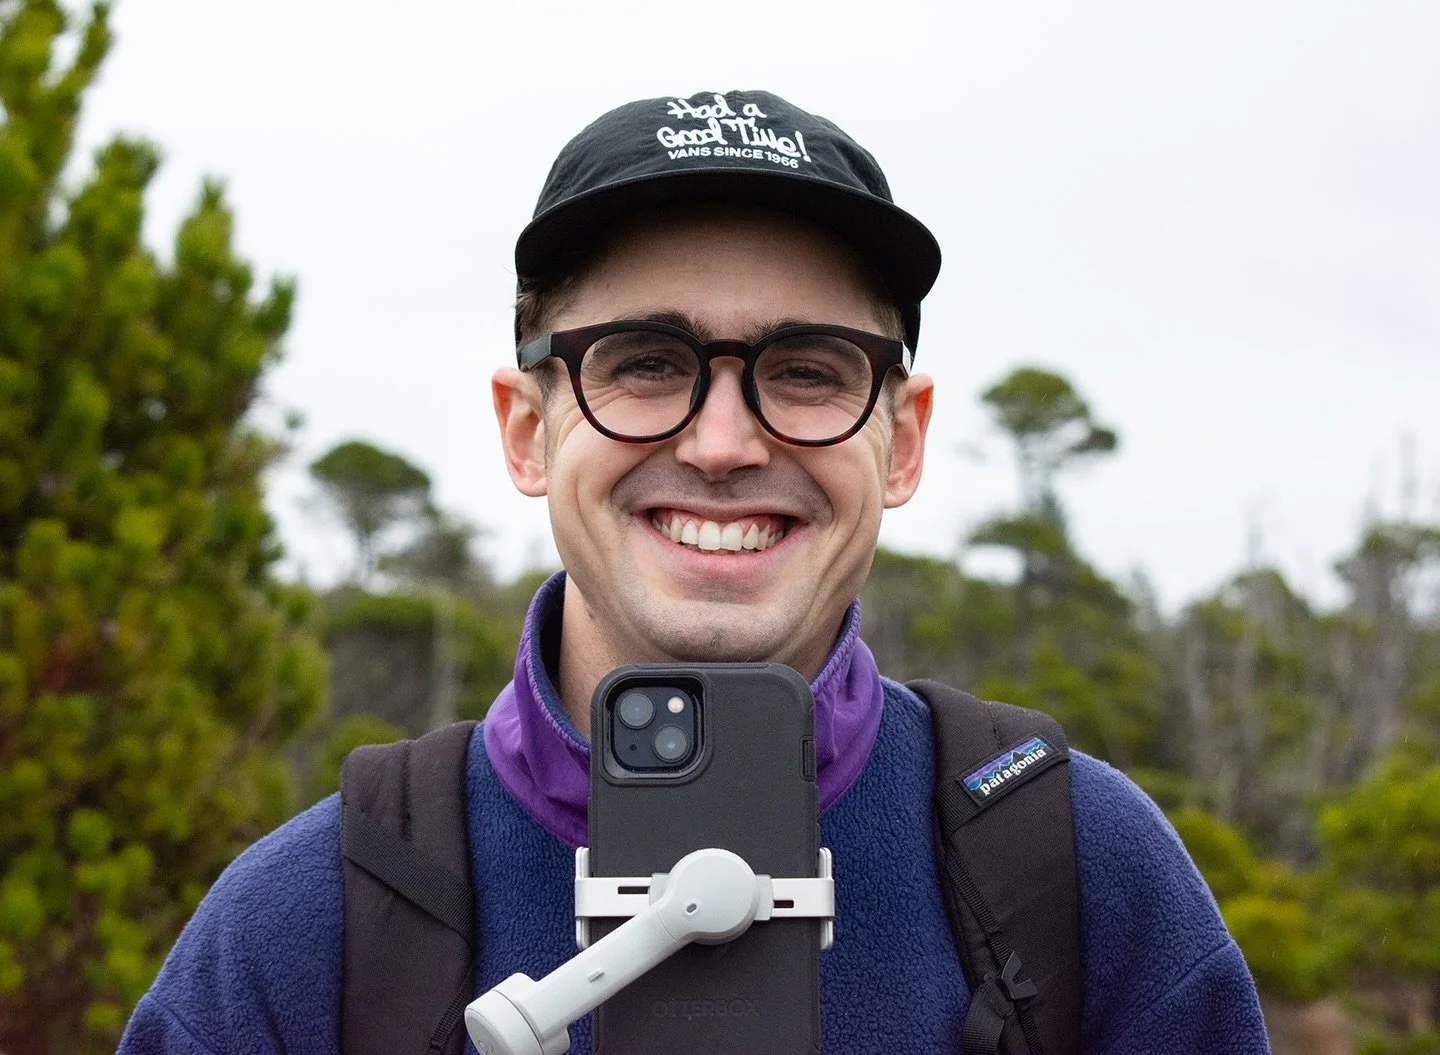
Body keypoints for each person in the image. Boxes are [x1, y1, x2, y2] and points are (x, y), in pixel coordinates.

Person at [120, 89, 1270, 1053]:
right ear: (527, 430)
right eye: (645, 363)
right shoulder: (304, 926)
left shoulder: (1086, 884)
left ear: (904, 438)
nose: (723, 444)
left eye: (809, 369)